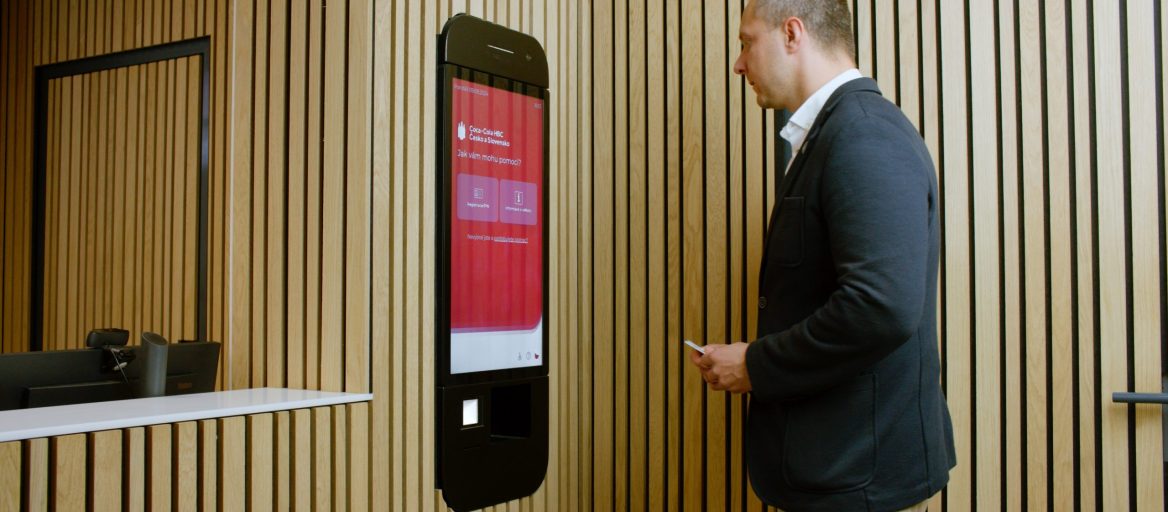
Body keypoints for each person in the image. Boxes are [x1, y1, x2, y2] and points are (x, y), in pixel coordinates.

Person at [688, 1, 956, 510]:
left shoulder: (862, 135)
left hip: (857, 479)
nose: (738, 63)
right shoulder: (839, 132)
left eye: (746, 41)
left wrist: (756, 365)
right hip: (844, 472)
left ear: (792, 33)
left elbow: (881, 306)